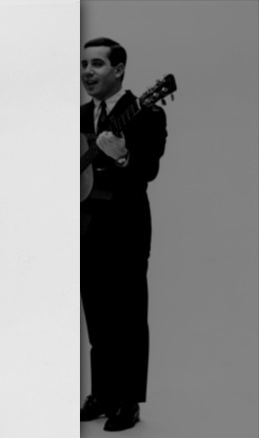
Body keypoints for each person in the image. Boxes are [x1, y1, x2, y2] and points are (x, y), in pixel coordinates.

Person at [79, 37, 167, 432]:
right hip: (85, 226)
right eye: (84, 64)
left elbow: (147, 170)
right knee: (96, 315)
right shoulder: (79, 116)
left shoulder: (145, 112)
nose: (88, 72)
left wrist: (123, 155)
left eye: (97, 64)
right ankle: (101, 395)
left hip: (125, 227)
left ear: (119, 69)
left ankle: (127, 400)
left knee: (128, 316)